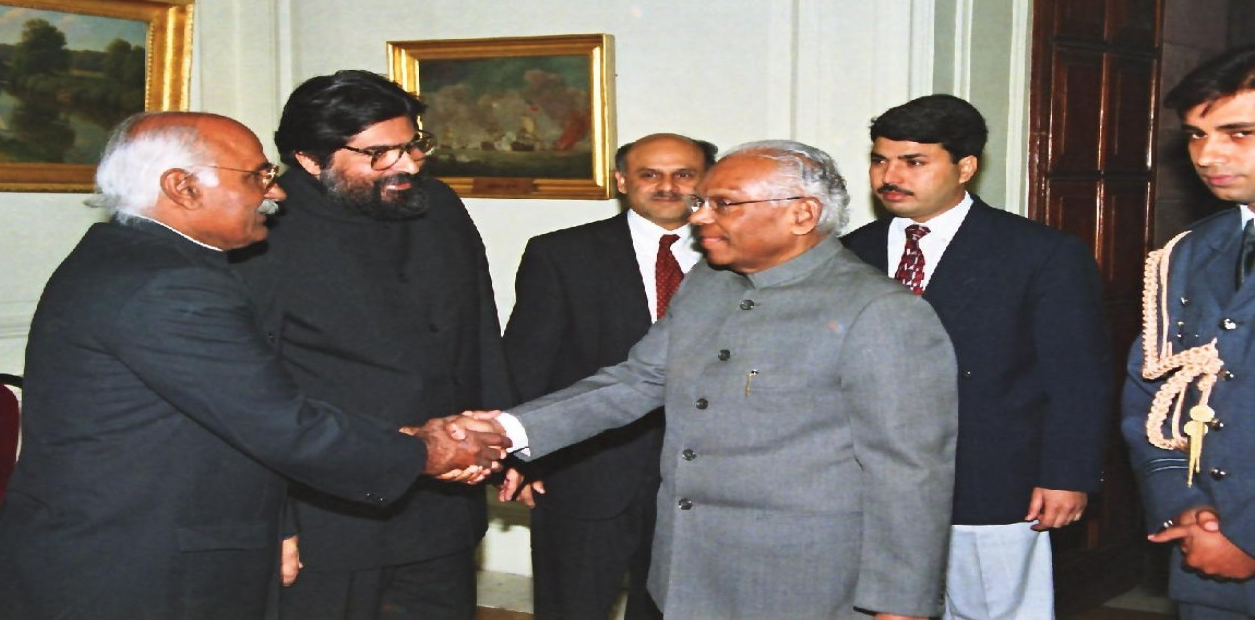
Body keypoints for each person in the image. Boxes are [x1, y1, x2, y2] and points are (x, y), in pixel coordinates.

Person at [0, 112, 507, 620]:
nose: (275, 193)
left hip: (126, 553)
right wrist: (428, 450)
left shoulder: (132, 257)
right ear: (182, 187)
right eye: (257, 177)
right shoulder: (168, 285)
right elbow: (281, 423)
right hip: (133, 570)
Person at [490, 140, 958, 619]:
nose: (698, 217)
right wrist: (502, 431)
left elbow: (910, 474)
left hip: (804, 584)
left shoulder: (881, 312)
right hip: (687, 574)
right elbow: (637, 380)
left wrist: (900, 605)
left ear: (802, 214)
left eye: (723, 204)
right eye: (702, 202)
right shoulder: (708, 282)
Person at [229, 70, 514, 620]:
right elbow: (251, 394)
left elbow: (478, 329)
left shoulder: (439, 206)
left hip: (445, 500)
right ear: (310, 159)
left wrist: (507, 436)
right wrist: (275, 518)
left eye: (412, 146)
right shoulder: (263, 231)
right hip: (330, 515)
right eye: (379, 154)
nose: (407, 165)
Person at [843, 94, 1113, 618]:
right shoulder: (853, 252)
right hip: (872, 480)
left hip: (991, 477)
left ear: (965, 167)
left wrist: (1068, 473)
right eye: (880, 160)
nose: (890, 176)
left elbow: (1078, 377)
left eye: (913, 162)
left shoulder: (1040, 253)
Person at [502, 133, 715, 620]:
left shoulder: (738, 256)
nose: (667, 186)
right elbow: (527, 361)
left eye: (683, 174)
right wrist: (522, 455)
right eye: (649, 174)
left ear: (707, 181)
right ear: (622, 181)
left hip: (701, 481)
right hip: (585, 472)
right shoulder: (561, 254)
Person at [1122, 44, 1255, 619]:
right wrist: (1184, 506)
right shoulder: (1189, 253)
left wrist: (1248, 536)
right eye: (1197, 135)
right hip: (1206, 556)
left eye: (1239, 133)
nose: (1208, 154)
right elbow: (1151, 396)